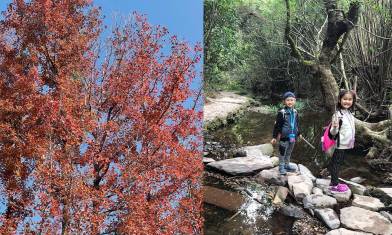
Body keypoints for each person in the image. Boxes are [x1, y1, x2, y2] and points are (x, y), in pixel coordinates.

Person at [327, 89, 356, 193]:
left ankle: (334, 181)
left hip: (346, 144)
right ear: (340, 100)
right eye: (345, 99)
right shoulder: (338, 114)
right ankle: (334, 185)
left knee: (338, 162)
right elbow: (333, 132)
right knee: (336, 163)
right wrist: (334, 127)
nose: (347, 101)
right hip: (339, 144)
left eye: (350, 99)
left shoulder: (348, 113)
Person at [271, 91, 301, 175]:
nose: (290, 102)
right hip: (283, 137)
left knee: (289, 152)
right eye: (288, 100)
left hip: (292, 137)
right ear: (284, 101)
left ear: (295, 101)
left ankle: (287, 165)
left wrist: (299, 133)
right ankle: (281, 167)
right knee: (282, 152)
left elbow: (296, 124)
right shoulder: (282, 113)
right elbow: (277, 126)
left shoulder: (295, 112)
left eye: (292, 100)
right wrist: (274, 137)